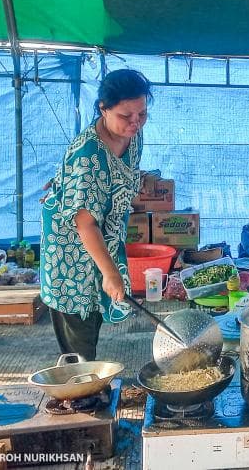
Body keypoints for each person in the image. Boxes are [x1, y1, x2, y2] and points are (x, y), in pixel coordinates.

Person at [40, 69, 152, 361]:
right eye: (126, 116)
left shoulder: (132, 136)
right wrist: (110, 271)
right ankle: (79, 386)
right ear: (103, 108)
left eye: (141, 113)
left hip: (105, 235)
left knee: (100, 303)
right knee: (79, 319)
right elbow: (85, 223)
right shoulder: (89, 156)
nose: (135, 122)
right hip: (72, 247)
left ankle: (85, 377)